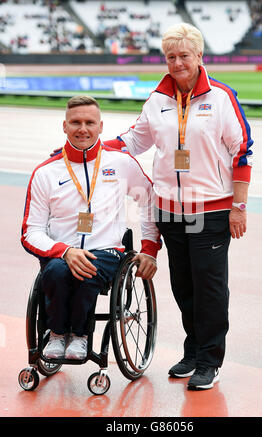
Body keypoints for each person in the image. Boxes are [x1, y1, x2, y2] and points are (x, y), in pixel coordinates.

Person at [104, 23, 254, 390]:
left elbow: (242, 151)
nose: (177, 63)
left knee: (210, 287)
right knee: (184, 286)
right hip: (170, 211)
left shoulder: (220, 97)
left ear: (199, 56)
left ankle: (210, 360)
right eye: (171, 57)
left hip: (212, 210)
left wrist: (239, 206)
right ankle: (193, 350)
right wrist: (90, 148)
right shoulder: (157, 100)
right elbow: (133, 141)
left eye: (184, 55)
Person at [21, 96, 161, 361]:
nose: (82, 128)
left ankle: (80, 336)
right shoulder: (45, 172)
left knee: (89, 268)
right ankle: (58, 334)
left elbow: (150, 201)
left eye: (89, 122)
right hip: (61, 255)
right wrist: (63, 251)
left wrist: (149, 248)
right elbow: (31, 231)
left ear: (100, 126)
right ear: (65, 126)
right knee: (59, 270)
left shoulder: (121, 163)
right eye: (75, 122)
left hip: (108, 253)